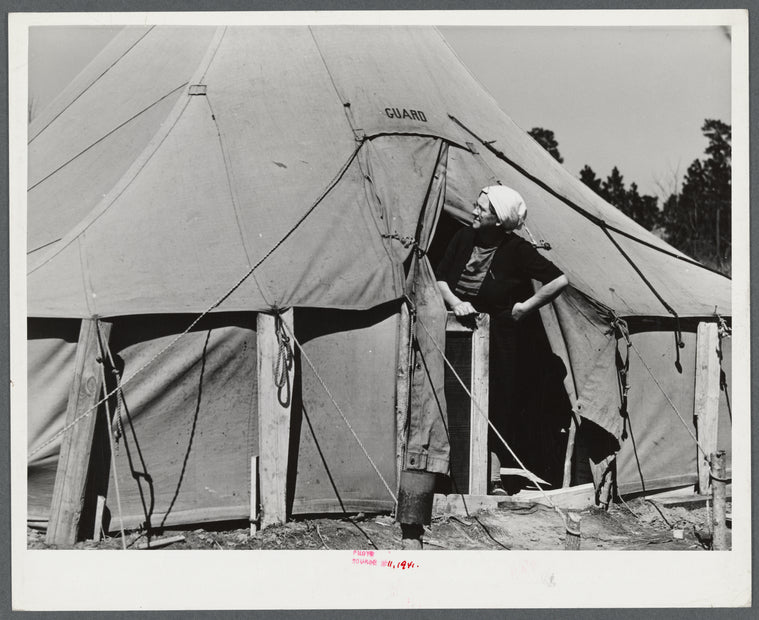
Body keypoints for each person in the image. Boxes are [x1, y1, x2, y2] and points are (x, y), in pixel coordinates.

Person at [435, 185, 569, 494]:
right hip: (456, 334)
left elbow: (559, 280)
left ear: (498, 219)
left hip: (499, 341)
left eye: (481, 208)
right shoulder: (463, 238)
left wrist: (524, 307)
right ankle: (450, 475)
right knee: (453, 399)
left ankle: (491, 477)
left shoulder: (516, 250)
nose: (474, 211)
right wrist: (455, 302)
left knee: (493, 405)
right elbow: (440, 277)